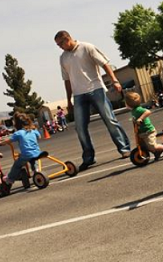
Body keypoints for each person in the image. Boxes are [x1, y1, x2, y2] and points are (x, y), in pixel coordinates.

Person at [54, 30, 131, 170]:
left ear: (67, 39)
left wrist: (114, 80)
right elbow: (67, 80)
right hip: (78, 95)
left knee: (109, 119)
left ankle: (124, 148)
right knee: (80, 127)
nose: (59, 46)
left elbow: (104, 64)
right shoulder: (63, 58)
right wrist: (69, 100)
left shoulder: (87, 47)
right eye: (58, 45)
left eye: (60, 43)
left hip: (96, 89)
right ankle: (88, 157)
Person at [0, 112, 42, 191]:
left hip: (26, 154)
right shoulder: (33, 130)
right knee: (33, 159)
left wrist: (1, 143)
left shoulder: (18, 133)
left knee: (17, 165)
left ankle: (9, 179)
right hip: (37, 152)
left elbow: (9, 140)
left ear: (17, 124)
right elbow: (39, 137)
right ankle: (36, 172)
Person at [125, 91, 163, 160]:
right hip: (141, 132)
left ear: (129, 104)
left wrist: (140, 119)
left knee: (152, 146)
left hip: (148, 131)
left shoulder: (138, 109)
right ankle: (156, 152)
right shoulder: (133, 111)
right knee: (144, 146)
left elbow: (148, 112)